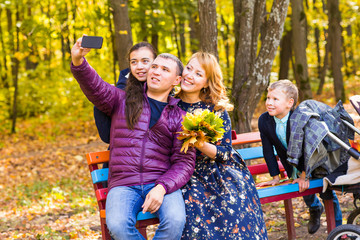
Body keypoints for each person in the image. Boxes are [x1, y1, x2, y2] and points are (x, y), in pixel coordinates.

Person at [70, 37, 196, 240]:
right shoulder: (121, 100)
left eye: (165, 69)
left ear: (176, 80)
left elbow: (184, 162)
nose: (156, 71)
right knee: (118, 226)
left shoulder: (180, 117)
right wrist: (78, 61)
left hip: (160, 182)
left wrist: (162, 187)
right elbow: (95, 86)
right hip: (123, 183)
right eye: (154, 67)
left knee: (175, 221)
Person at [176, 52, 268, 239]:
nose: (190, 75)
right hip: (185, 172)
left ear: (207, 82)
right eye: (188, 68)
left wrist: (199, 142)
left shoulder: (215, 110)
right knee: (194, 213)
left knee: (234, 208)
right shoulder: (169, 104)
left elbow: (225, 153)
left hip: (218, 171)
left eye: (199, 74)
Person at [257, 80, 342, 234]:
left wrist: (305, 175)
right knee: (305, 192)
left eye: (275, 99)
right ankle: (315, 208)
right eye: (268, 98)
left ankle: (339, 229)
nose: (269, 102)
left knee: (326, 192)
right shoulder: (264, 120)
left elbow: (307, 149)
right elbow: (268, 150)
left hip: (315, 161)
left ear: (290, 103)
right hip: (291, 163)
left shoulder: (299, 118)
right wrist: (275, 177)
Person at [94, 41, 157, 144]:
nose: (139, 66)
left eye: (145, 61)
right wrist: (102, 101)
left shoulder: (167, 92)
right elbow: (107, 137)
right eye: (134, 62)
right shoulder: (122, 93)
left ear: (155, 62)